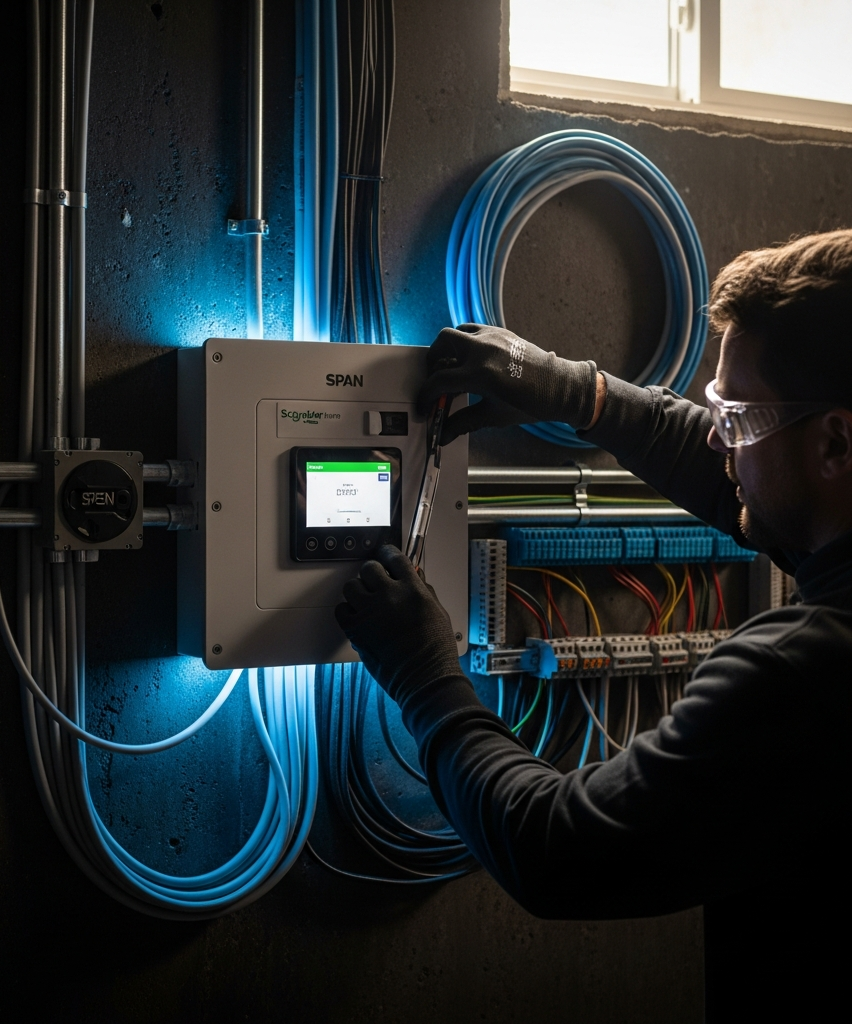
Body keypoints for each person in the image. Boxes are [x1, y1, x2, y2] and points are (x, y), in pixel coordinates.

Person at [335, 229, 852, 1020]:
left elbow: (559, 850)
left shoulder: (802, 673)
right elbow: (760, 502)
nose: (718, 438)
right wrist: (585, 395)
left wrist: (425, 676)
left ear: (837, 442)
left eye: (739, 418)